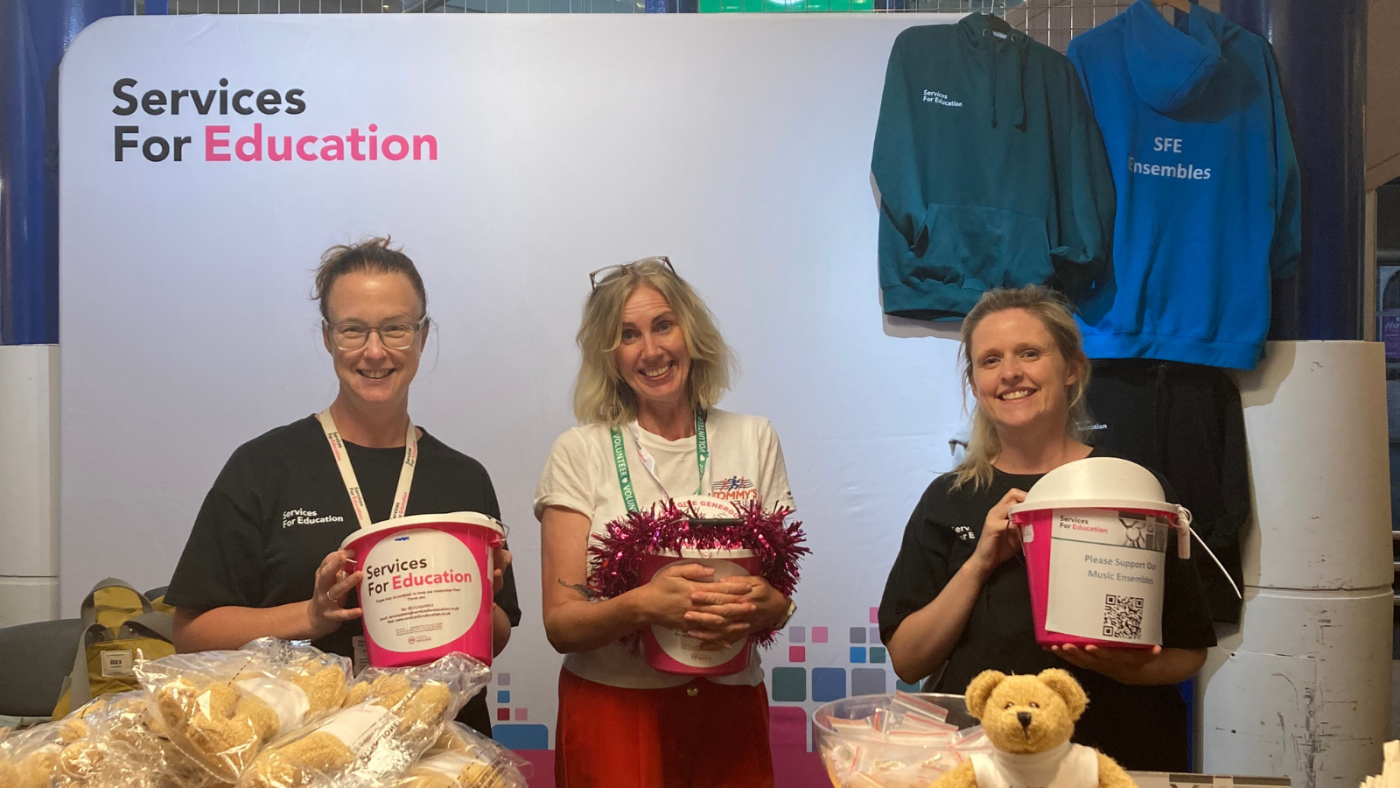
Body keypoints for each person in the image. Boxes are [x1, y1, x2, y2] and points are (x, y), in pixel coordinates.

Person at [164, 237, 520, 737]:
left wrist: (481, 605)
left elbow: (497, 635)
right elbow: (191, 633)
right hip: (299, 748)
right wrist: (309, 617)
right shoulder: (264, 467)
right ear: (329, 338)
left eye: (395, 329)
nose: (374, 352)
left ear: (422, 335)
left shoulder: (463, 477)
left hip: (442, 748)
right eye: (354, 330)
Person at [877, 286, 1215, 772]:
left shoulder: (1132, 488)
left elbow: (1188, 651)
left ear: (1072, 367)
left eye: (1030, 353)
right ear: (974, 384)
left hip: (1116, 758)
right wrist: (980, 563)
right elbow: (908, 660)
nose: (1010, 372)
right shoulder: (949, 499)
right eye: (989, 360)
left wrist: (1122, 665)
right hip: (989, 762)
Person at [535, 257, 798, 788]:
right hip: (615, 712)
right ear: (609, 356)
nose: (651, 351)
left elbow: (776, 593)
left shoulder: (754, 437)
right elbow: (561, 624)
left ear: (690, 331)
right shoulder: (579, 451)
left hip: (729, 709)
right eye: (627, 335)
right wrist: (643, 605)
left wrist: (776, 609)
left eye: (663, 325)